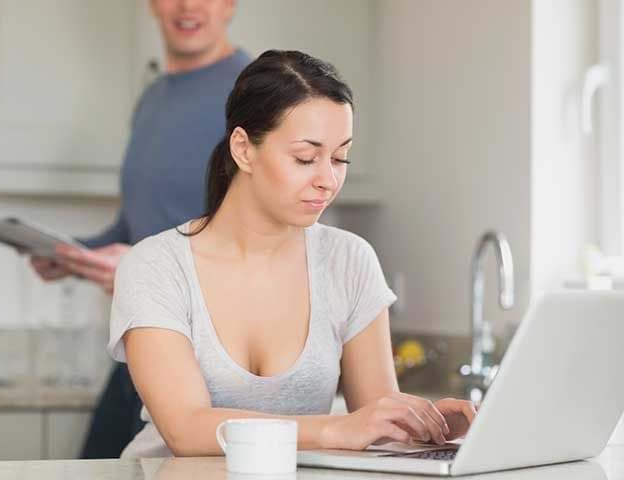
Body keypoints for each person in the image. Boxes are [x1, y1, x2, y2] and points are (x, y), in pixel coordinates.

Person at [109, 50, 478, 458]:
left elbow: (373, 421)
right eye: (306, 158)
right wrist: (338, 429)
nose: (328, 179)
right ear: (243, 149)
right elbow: (186, 429)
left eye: (340, 158)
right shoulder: (156, 266)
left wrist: (420, 425)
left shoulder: (350, 261)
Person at [29, 0, 251, 458]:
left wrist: (137, 268)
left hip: (206, 363)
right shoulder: (152, 99)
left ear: (230, 4)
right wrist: (73, 254)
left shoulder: (254, 94)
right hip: (140, 342)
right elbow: (136, 225)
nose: (188, 6)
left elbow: (263, 239)